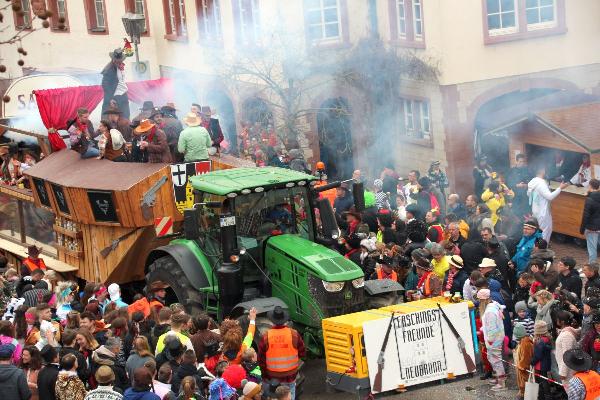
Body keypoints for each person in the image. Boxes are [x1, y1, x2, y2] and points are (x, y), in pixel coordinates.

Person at [258, 306, 306, 400]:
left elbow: (261, 359)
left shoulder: (266, 337)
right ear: (285, 320)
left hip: (273, 377)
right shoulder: (294, 334)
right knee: (290, 394)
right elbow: (302, 353)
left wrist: (265, 376)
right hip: (290, 375)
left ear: (272, 320)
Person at [527, 165, 569, 242]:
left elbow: (528, 194)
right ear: (542, 171)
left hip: (535, 211)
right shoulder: (541, 183)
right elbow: (550, 197)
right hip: (543, 212)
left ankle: (537, 248)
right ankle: (542, 250)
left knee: (537, 232)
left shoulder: (532, 182)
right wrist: (560, 188)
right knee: (545, 232)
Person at [477, 289, 506, 391]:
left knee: (496, 360)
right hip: (497, 337)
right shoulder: (494, 305)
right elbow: (489, 325)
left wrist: (489, 341)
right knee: (492, 358)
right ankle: (498, 377)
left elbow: (492, 329)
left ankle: (501, 382)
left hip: (494, 339)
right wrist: (482, 330)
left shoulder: (489, 312)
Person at [101, 48, 129, 119]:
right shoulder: (108, 70)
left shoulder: (120, 66)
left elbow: (121, 80)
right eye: (118, 61)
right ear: (113, 60)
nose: (120, 62)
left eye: (121, 61)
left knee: (125, 117)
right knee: (109, 120)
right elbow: (105, 85)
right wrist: (111, 98)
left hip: (122, 95)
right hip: (114, 97)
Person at [554, 311, 580, 386]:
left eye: (557, 319)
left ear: (561, 322)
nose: (556, 321)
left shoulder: (566, 335)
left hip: (569, 372)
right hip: (568, 369)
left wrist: (563, 373)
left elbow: (567, 354)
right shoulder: (565, 333)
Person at [531, 320, 553, 399]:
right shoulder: (548, 338)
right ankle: (547, 394)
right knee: (544, 378)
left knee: (542, 380)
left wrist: (532, 362)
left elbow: (538, 355)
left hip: (540, 364)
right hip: (546, 362)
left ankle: (545, 395)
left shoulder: (540, 341)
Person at [580, 178, 600, 263]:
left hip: (592, 227)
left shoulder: (590, 200)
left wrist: (582, 229)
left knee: (592, 248)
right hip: (598, 226)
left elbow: (586, 216)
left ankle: (592, 267)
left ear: (590, 186)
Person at [506, 153, 531, 218]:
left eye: (523, 161)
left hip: (525, 197)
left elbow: (531, 181)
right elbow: (508, 184)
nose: (522, 163)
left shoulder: (527, 170)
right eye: (520, 161)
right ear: (516, 161)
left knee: (526, 215)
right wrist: (517, 185)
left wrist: (526, 185)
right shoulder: (511, 171)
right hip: (515, 197)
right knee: (517, 215)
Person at [513, 323, 533, 400]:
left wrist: (520, 367)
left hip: (525, 374)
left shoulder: (525, 343)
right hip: (523, 373)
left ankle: (523, 394)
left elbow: (525, 362)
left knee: (527, 391)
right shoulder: (522, 341)